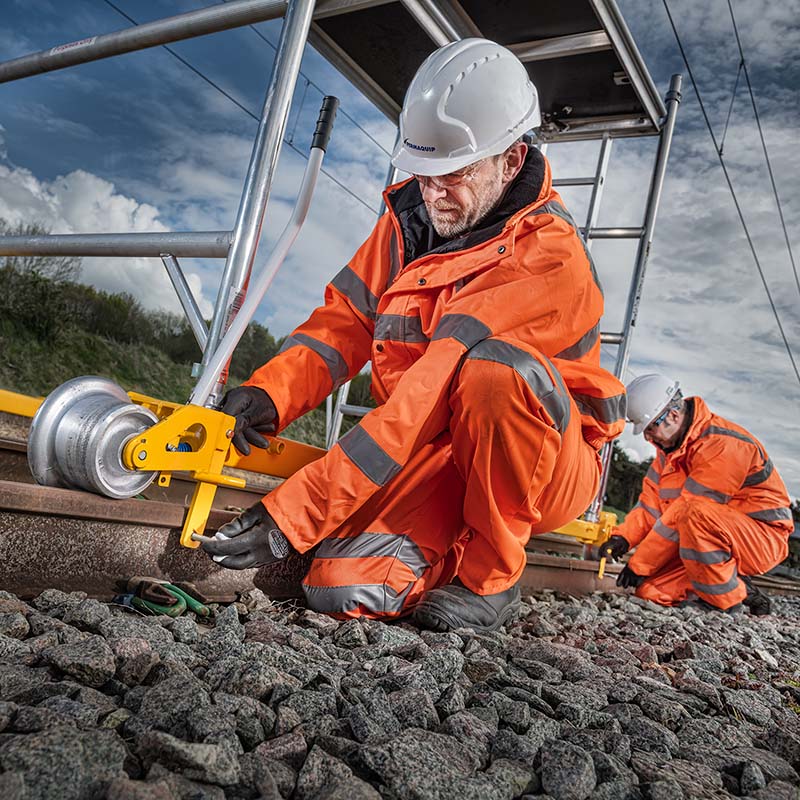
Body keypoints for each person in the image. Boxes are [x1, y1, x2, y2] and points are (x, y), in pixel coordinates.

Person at [201, 38, 626, 631]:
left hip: (544, 460)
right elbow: (344, 324)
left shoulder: (547, 257)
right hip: (437, 443)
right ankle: (444, 542)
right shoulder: (410, 222)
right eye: (423, 173)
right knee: (344, 590)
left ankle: (490, 580)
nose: (433, 193)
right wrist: (270, 394)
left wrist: (292, 518)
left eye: (454, 173)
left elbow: (429, 391)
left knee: (493, 374)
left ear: (510, 161)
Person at [602, 373, 793, 615]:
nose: (648, 437)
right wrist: (623, 538)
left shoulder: (722, 444)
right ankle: (744, 592)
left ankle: (725, 602)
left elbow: (690, 509)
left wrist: (640, 564)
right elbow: (650, 508)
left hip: (762, 537)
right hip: (709, 537)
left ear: (672, 415)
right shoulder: (667, 455)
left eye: (650, 428)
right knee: (650, 592)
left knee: (694, 512)